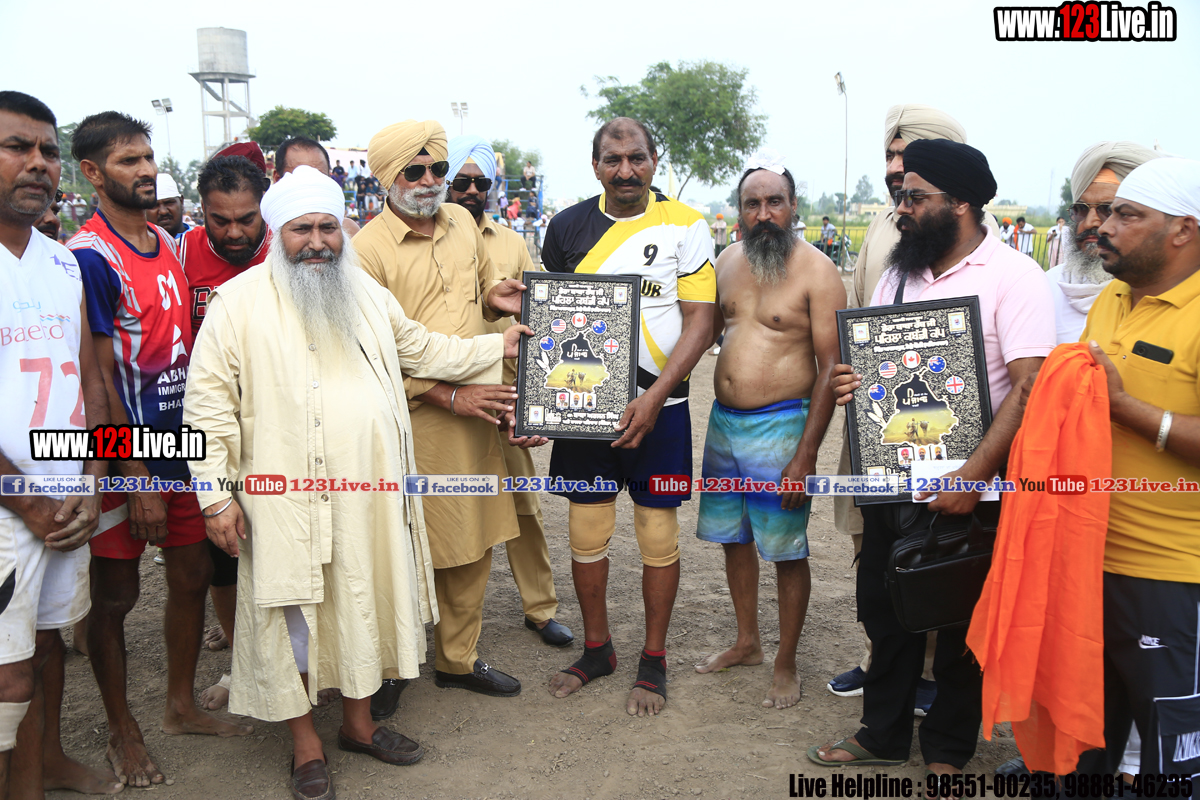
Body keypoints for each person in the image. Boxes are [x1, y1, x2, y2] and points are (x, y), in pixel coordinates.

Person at [183, 165, 532, 800]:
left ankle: (358, 726)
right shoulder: (237, 303)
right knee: (293, 618)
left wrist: (497, 346)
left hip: (368, 494)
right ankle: (305, 745)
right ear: (276, 233)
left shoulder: (365, 293)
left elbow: (423, 349)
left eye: (327, 227)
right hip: (281, 501)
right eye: (301, 230)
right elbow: (206, 410)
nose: (317, 242)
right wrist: (213, 499)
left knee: (361, 603)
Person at [809, 138, 1054, 778]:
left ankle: (947, 750)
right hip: (890, 481)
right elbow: (875, 362)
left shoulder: (1015, 277)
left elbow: (1029, 386)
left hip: (972, 488)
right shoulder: (899, 273)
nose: (902, 209)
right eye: (900, 197)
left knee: (960, 621)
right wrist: (853, 380)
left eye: (915, 197)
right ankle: (883, 734)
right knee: (884, 609)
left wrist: (973, 476)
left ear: (962, 203)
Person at [68, 111, 253, 788]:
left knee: (193, 577)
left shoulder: (166, 243)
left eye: (147, 157)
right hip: (128, 459)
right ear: (92, 173)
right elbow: (97, 377)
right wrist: (135, 474)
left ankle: (179, 707)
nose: (145, 170)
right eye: (128, 161)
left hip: (183, 450)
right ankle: (122, 729)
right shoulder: (91, 257)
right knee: (116, 597)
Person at [995, 143, 1170, 780]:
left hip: (1157, 533)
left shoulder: (1167, 299)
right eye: (1085, 210)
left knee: (1146, 671)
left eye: (1116, 210)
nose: (1096, 224)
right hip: (1068, 515)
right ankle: (1063, 759)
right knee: (1065, 640)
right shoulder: (1062, 292)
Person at [541, 117, 716, 716]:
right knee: (586, 532)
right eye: (612, 160)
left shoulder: (687, 225)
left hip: (663, 409)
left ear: (654, 161)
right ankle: (598, 650)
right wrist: (544, 402)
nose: (625, 171)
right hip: (586, 408)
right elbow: (556, 321)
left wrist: (655, 395)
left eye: (636, 158)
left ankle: (653, 659)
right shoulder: (566, 228)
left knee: (657, 535)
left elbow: (701, 322)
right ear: (595, 166)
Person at [353, 120, 533, 705]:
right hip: (414, 420)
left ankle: (458, 658)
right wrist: (451, 396)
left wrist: (496, 298)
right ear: (388, 178)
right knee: (406, 545)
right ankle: (391, 668)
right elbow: (374, 354)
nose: (430, 180)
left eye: (438, 169)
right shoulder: (365, 252)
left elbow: (481, 290)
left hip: (480, 407)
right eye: (415, 171)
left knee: (474, 538)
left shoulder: (460, 221)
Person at [829, 103, 996, 705]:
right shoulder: (884, 225)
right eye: (890, 156)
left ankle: (927, 675)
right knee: (873, 548)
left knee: (940, 555)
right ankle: (882, 662)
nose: (895, 168)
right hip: (880, 428)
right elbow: (862, 314)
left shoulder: (982, 243)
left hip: (954, 448)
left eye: (908, 156)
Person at [0, 90, 123, 799]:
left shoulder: (64, 263)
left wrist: (94, 478)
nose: (39, 164)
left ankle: (43, 767)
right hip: (11, 506)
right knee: (8, 673)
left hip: (65, 497)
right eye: (17, 147)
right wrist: (27, 500)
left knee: (46, 645)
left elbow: (91, 378)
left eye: (49, 151)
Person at [1064, 157, 1200, 787]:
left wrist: (1126, 409)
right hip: (1088, 557)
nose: (1104, 227)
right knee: (1083, 742)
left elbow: (1115, 404)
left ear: (1183, 230)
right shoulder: (1112, 297)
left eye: (1126, 215)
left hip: (1169, 573)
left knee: (1172, 758)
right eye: (1105, 213)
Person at [694, 151, 844, 710]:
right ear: (739, 210)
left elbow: (831, 366)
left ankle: (786, 661)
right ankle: (747, 642)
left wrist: (806, 454)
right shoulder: (727, 261)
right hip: (724, 423)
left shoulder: (818, 271)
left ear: (793, 206)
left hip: (783, 426)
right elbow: (702, 332)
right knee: (733, 539)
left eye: (774, 202)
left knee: (785, 549)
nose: (763, 214)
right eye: (752, 203)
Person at [443, 136, 571, 658]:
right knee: (450, 510)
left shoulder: (513, 244)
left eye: (481, 183)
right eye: (462, 181)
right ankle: (443, 629)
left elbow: (535, 320)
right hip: (449, 398)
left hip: (506, 396)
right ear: (446, 183)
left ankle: (541, 609)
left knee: (525, 507)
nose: (472, 190)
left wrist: (534, 401)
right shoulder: (433, 242)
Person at [175, 153, 271, 708]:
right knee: (224, 556)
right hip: (210, 427)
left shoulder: (288, 246)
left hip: (273, 428)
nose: (234, 232)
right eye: (220, 220)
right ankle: (241, 664)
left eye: (246, 219)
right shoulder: (179, 254)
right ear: (201, 213)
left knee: (279, 549)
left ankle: (304, 660)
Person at [273, 137, 360, 236]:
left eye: (319, 179)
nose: (312, 188)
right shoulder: (264, 232)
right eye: (301, 179)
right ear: (277, 179)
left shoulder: (348, 232)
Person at [149, 173, 188, 237]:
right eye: (154, 205)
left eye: (169, 203)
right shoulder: (136, 242)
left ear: (181, 202)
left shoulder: (202, 240)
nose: (163, 212)